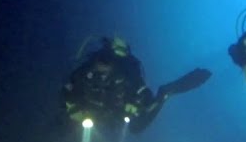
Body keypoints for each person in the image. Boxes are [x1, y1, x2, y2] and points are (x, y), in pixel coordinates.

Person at [61, 37, 212, 133]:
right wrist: (71, 107)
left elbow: (143, 93)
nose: (102, 67)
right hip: (95, 114)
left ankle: (169, 91)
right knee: (63, 125)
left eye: (107, 63)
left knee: (136, 127)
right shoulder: (83, 72)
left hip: (117, 113)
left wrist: (135, 104)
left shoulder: (127, 75)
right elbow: (68, 89)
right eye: (100, 61)